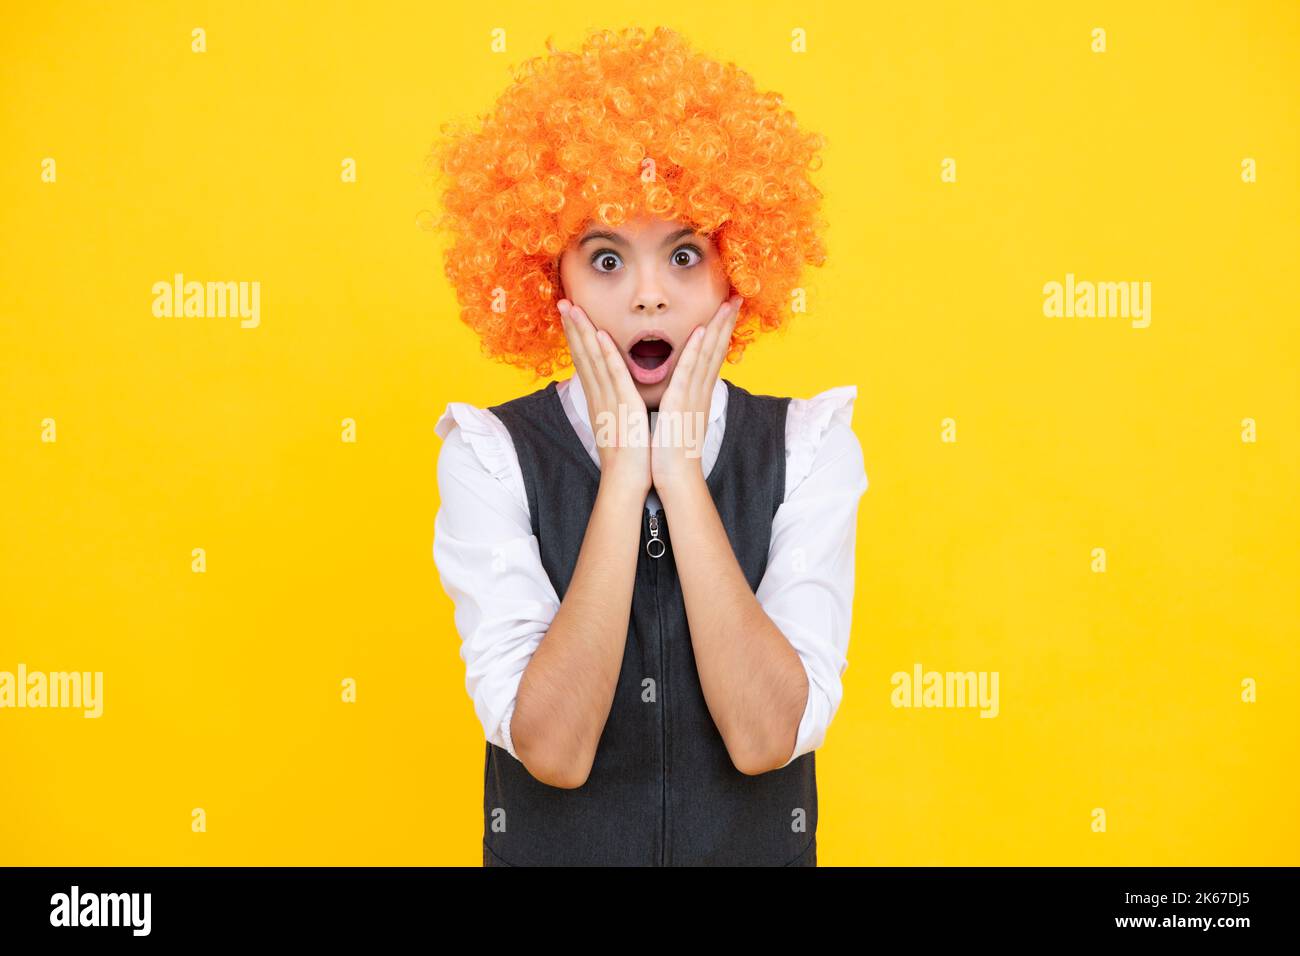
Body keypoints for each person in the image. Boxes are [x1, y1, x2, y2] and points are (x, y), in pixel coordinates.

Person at [428, 25, 868, 866]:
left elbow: (765, 737)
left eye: (684, 253)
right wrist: (625, 473)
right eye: (604, 258)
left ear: (737, 267)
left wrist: (682, 476)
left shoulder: (811, 446)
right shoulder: (488, 455)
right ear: (546, 276)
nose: (648, 298)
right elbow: (552, 750)